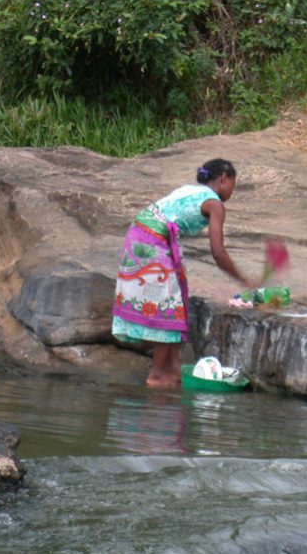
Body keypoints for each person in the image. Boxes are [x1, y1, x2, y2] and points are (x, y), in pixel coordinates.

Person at [111, 158, 261, 388]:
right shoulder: (215, 204)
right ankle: (158, 375)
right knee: (168, 309)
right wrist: (243, 279)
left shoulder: (191, 190)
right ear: (223, 178)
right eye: (233, 183)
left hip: (139, 233)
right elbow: (218, 252)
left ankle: (172, 371)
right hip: (151, 240)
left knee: (175, 305)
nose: (232, 189)